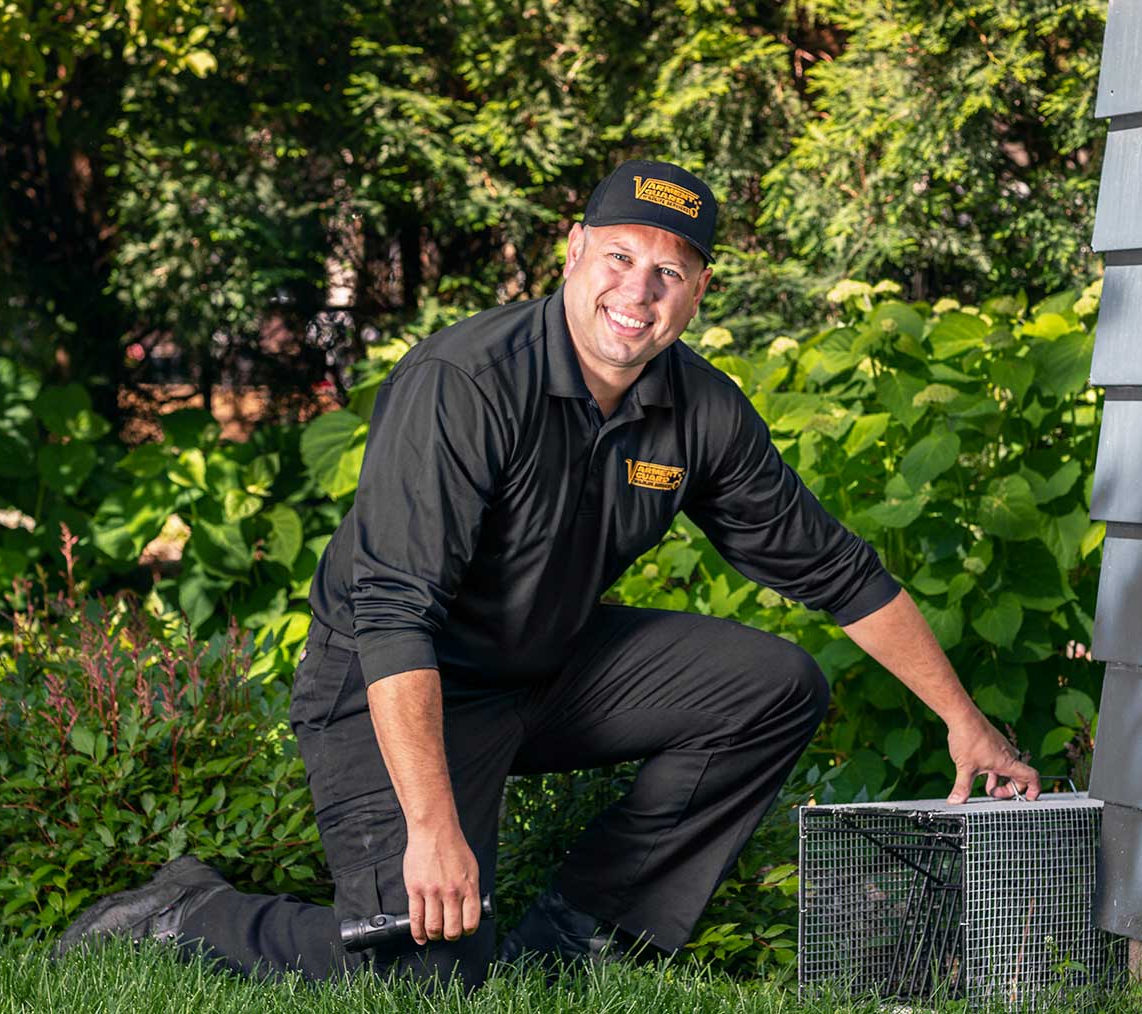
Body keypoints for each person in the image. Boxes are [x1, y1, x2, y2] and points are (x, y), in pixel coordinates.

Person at [53, 159, 1040, 988]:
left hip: (549, 667)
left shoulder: (699, 409)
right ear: (573, 249)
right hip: (391, 683)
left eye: (670, 271)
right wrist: (435, 830)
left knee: (773, 685)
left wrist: (965, 718)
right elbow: (393, 609)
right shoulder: (467, 381)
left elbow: (831, 567)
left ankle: (576, 937)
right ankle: (190, 913)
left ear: (698, 291)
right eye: (619, 257)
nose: (638, 290)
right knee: (421, 972)